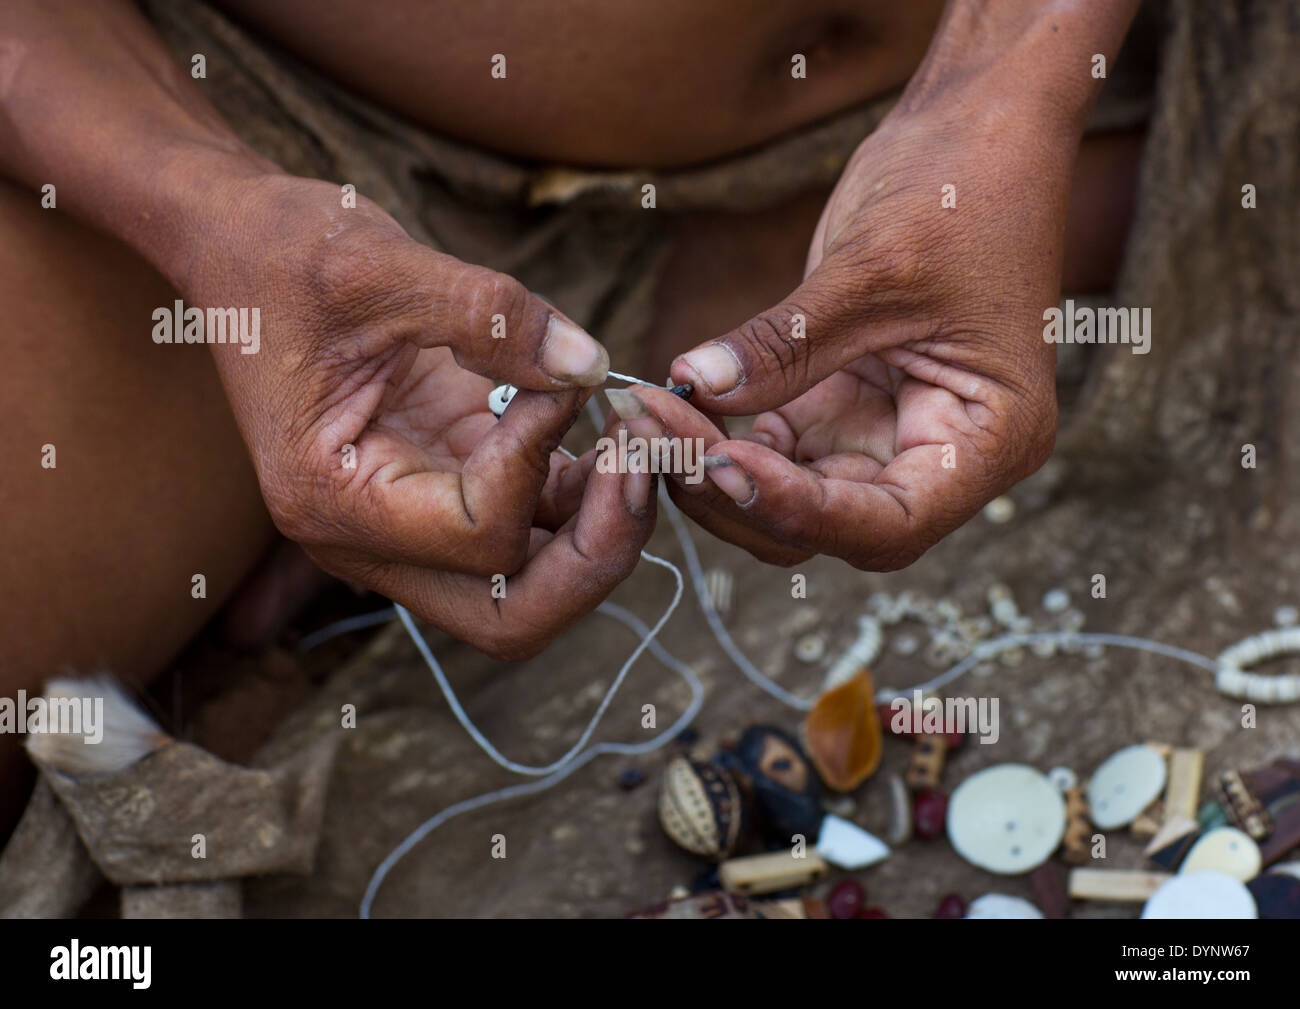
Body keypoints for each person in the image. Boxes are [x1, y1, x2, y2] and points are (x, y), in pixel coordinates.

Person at [0, 0, 1143, 833]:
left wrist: (1001, 95)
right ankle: (679, 274)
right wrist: (213, 215)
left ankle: (721, 262)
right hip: (242, 112)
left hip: (1045, 73)